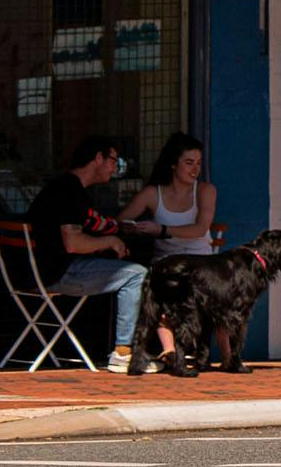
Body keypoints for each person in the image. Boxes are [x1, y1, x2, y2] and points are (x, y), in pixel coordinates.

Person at [27, 139, 149, 374]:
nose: (116, 167)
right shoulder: (70, 191)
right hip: (57, 273)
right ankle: (123, 353)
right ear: (98, 159)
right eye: (114, 160)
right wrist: (111, 241)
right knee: (137, 274)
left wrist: (112, 234)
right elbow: (73, 243)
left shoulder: (62, 186)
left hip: (32, 274)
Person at [127, 132, 219, 368]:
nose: (195, 169)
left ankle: (205, 351)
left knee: (204, 287)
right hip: (166, 262)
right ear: (173, 164)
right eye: (189, 163)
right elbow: (122, 220)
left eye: (198, 163)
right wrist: (136, 229)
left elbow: (201, 228)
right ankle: (168, 351)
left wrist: (162, 230)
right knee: (159, 285)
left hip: (200, 261)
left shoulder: (205, 190)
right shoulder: (152, 193)